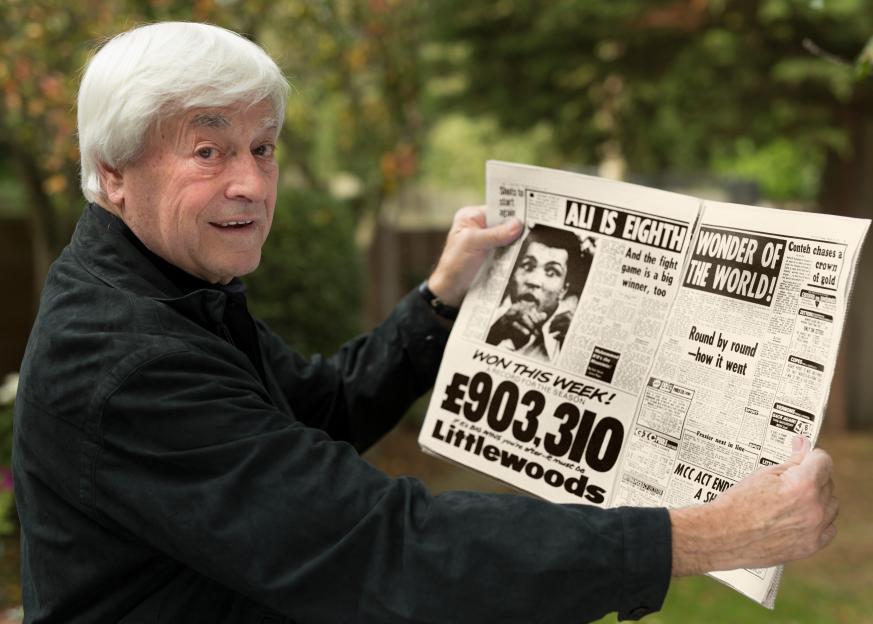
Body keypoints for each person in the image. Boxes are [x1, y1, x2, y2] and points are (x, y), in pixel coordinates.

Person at [12, 22, 837, 624]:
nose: (250, 184)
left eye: (263, 149)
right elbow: (383, 550)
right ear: (113, 173)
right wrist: (695, 538)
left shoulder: (169, 287)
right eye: (208, 150)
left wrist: (440, 299)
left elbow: (315, 414)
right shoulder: (124, 356)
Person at [486, 224, 590, 362]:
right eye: (528, 266)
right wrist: (493, 335)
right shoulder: (491, 320)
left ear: (563, 289)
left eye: (552, 272)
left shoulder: (570, 334)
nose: (534, 281)